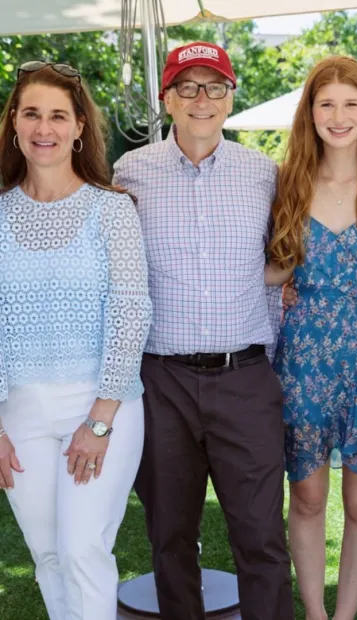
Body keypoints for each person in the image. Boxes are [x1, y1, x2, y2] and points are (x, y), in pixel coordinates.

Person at [113, 42, 294, 620]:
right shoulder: (127, 173)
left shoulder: (265, 173)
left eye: (214, 86)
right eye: (187, 87)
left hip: (245, 378)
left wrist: (279, 282)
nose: (201, 99)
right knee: (169, 538)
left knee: (262, 540)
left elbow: (286, 255)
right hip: (161, 382)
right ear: (166, 98)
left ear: (231, 96)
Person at [0, 62, 152, 620]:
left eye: (58, 115)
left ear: (79, 126)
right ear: (14, 123)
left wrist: (100, 418)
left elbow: (131, 311)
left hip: (101, 403)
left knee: (83, 549)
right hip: (17, 412)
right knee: (47, 556)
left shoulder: (111, 209)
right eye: (32, 113)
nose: (45, 127)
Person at [266, 56, 357, 620]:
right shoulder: (285, 182)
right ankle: (315, 614)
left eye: (352, 103)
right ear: (311, 112)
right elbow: (263, 265)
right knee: (306, 495)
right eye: (327, 103)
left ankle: (345, 616)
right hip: (301, 359)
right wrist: (278, 283)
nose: (339, 115)